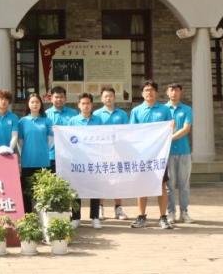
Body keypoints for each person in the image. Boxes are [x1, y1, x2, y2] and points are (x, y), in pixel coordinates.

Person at [129, 80, 175, 230]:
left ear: (156, 92)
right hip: (142, 155)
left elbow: (170, 129)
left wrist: (172, 127)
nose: (149, 92)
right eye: (146, 90)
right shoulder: (136, 111)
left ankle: (163, 217)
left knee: (161, 185)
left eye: (151, 90)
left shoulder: (164, 110)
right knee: (142, 185)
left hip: (159, 155)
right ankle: (141, 216)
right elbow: (132, 132)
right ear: (142, 93)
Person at [66, 93, 103, 229]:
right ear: (78, 105)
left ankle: (95, 217)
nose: (86, 106)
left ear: (92, 105)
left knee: (95, 189)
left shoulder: (98, 120)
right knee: (76, 189)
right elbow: (67, 139)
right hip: (78, 160)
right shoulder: (73, 121)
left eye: (88, 103)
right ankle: (76, 217)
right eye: (83, 103)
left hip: (94, 160)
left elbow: (102, 138)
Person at [94, 86, 130, 220]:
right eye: (105, 96)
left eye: (110, 96)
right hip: (102, 153)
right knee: (101, 181)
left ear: (115, 98)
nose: (108, 98)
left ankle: (118, 209)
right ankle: (100, 208)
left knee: (117, 181)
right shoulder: (96, 114)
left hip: (118, 153)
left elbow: (127, 132)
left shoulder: (122, 114)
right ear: (101, 98)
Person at [18, 93, 52, 212]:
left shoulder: (47, 121)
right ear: (28, 104)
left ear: (41, 104)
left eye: (37, 102)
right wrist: (26, 152)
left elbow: (50, 140)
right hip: (27, 161)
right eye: (32, 102)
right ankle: (29, 215)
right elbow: (20, 142)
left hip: (43, 161)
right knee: (27, 192)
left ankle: (42, 216)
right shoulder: (22, 121)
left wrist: (42, 149)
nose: (35, 104)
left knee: (43, 191)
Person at [166, 83, 194, 223]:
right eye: (171, 90)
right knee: (169, 185)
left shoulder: (187, 109)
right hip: (167, 153)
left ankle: (184, 212)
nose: (174, 93)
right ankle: (171, 212)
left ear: (180, 92)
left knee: (184, 184)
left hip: (184, 152)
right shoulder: (163, 110)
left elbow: (186, 129)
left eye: (177, 90)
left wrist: (169, 138)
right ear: (167, 92)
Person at [46, 86, 79, 164]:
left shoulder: (74, 113)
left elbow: (78, 131)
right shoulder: (46, 114)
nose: (59, 99)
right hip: (52, 154)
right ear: (51, 98)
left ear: (65, 99)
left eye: (61, 97)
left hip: (70, 153)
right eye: (56, 97)